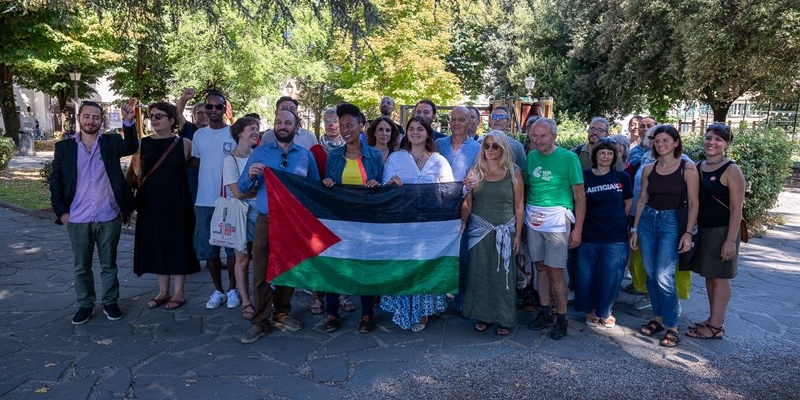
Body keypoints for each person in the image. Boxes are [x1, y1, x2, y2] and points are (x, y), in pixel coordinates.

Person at [49, 100, 138, 324]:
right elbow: (56, 181)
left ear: (102, 120)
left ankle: (110, 302)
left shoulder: (111, 142)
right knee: (82, 267)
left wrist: (128, 121)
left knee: (109, 264)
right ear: (79, 118)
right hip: (77, 218)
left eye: (96, 117)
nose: (91, 121)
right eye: (87, 116)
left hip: (108, 215)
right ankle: (85, 304)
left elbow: (131, 147)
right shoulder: (64, 147)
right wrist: (62, 213)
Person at [237, 109, 320, 343]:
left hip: (293, 222)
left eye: (287, 122)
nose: (282, 126)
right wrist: (251, 176)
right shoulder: (260, 153)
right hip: (266, 218)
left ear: (296, 127)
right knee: (262, 270)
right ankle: (260, 321)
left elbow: (313, 189)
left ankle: (282, 313)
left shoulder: (305, 156)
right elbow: (242, 187)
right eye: (278, 122)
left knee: (289, 269)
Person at [381, 115, 454, 331]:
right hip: (403, 224)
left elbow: (450, 191)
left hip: (430, 226)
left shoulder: (439, 161)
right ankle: (405, 309)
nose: (415, 132)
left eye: (420, 129)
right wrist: (391, 184)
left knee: (425, 267)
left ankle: (423, 311)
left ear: (428, 133)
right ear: (406, 132)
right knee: (406, 267)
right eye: (411, 128)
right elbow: (386, 189)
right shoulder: (396, 158)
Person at [629, 124, 699, 348]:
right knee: (651, 274)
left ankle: (672, 326)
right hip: (648, 221)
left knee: (664, 277)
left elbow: (694, 203)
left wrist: (688, 233)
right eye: (657, 141)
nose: (660, 145)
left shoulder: (687, 168)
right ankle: (658, 318)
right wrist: (635, 229)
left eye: (665, 141)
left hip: (671, 223)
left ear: (676, 142)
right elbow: (642, 200)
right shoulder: (649, 168)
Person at [321, 103, 383, 333]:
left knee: (364, 266)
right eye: (342, 125)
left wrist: (378, 184)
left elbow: (382, 188)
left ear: (361, 126)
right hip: (339, 221)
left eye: (350, 125)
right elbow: (329, 185)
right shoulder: (334, 156)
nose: (345, 129)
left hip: (366, 222)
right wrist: (327, 183)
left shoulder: (374, 155)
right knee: (335, 264)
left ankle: (366, 314)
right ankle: (331, 313)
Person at [524, 118, 585, 340]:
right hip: (534, 219)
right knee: (540, 266)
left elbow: (580, 197)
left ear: (554, 137)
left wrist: (577, 229)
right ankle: (544, 312)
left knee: (556, 270)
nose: (538, 140)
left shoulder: (569, 159)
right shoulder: (531, 157)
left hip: (557, 221)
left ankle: (562, 317)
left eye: (543, 136)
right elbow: (528, 187)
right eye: (534, 136)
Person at [134, 102, 200, 310]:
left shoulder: (185, 144)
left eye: (160, 116)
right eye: (152, 115)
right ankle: (163, 291)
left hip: (178, 201)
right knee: (157, 245)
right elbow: (137, 172)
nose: (154, 119)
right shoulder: (142, 144)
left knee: (178, 243)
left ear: (172, 121)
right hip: (151, 202)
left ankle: (179, 291)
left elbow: (198, 166)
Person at [461, 131, 524, 336]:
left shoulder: (514, 173)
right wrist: (462, 221)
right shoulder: (475, 171)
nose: (489, 150)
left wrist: (518, 235)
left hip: (505, 230)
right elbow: (468, 202)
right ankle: (482, 315)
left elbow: (520, 206)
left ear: (503, 148)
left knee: (503, 275)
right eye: (486, 146)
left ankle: (504, 317)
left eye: (494, 146)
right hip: (479, 230)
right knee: (479, 273)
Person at [686, 123, 745, 340]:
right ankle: (713, 320)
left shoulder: (732, 169)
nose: (712, 142)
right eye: (709, 137)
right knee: (710, 276)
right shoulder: (699, 166)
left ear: (727, 144)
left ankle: (716, 326)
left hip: (723, 231)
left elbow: (737, 208)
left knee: (720, 278)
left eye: (718, 139)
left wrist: (730, 240)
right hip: (705, 230)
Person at [189, 90, 240, 310]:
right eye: (208, 107)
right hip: (205, 200)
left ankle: (233, 289)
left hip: (229, 199)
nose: (213, 111)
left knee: (232, 249)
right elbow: (196, 161)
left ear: (225, 109)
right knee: (209, 250)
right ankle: (217, 290)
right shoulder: (199, 135)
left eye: (218, 107)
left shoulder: (234, 133)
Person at [576, 138, 633, 329]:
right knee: (587, 274)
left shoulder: (621, 177)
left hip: (615, 235)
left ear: (614, 156)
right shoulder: (585, 177)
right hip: (589, 234)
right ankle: (591, 309)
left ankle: (606, 311)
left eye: (610, 153)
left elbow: (627, 204)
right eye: (602, 152)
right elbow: (579, 203)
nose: (606, 156)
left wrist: (617, 221)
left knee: (611, 274)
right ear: (595, 155)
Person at [222, 117, 261, 319]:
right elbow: (237, 192)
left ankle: (262, 298)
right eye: (252, 129)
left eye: (257, 128)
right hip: (240, 215)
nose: (256, 132)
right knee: (242, 258)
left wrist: (255, 191)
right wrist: (257, 191)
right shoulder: (231, 159)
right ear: (240, 133)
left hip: (261, 214)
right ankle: (246, 301)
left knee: (261, 258)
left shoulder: (259, 155)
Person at [176, 88, 208, 204]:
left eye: (206, 113)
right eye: (200, 113)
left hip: (209, 175)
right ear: (194, 115)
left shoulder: (215, 132)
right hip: (190, 175)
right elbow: (177, 113)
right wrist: (184, 98)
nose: (204, 115)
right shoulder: (187, 128)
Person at [435, 106, 482, 182]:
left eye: (461, 120)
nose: (456, 123)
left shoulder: (478, 149)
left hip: (465, 192)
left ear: (469, 123)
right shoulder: (439, 144)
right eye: (453, 119)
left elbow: (478, 176)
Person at [486, 106, 526, 171]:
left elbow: (522, 171)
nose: (497, 120)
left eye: (501, 117)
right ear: (490, 121)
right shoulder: (481, 144)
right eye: (494, 117)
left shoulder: (517, 147)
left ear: (508, 122)